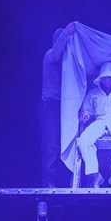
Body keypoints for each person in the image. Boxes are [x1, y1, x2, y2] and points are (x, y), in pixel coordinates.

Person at [38, 22, 75, 188]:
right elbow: (56, 53)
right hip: (50, 105)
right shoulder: (50, 55)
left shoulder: (68, 64)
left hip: (64, 106)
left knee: (66, 142)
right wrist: (66, 33)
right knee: (51, 143)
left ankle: (66, 179)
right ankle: (49, 180)